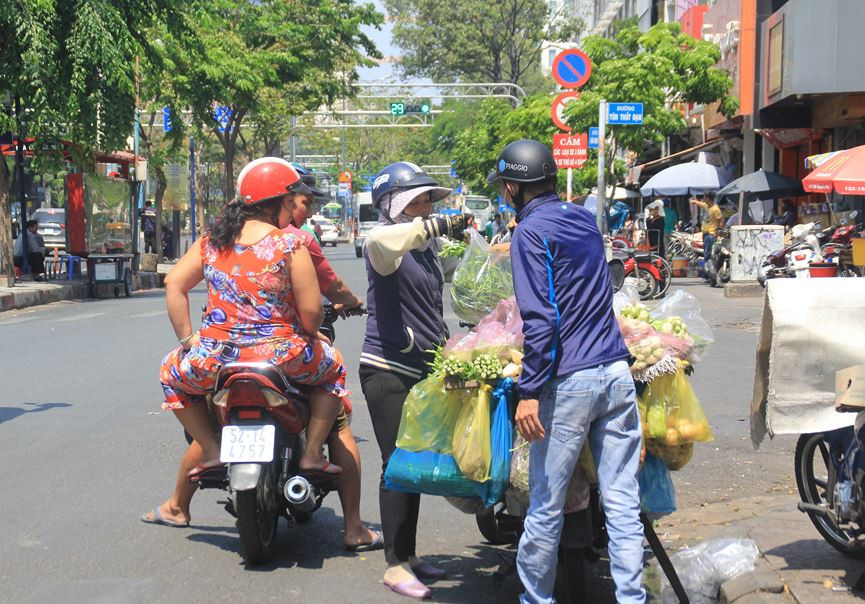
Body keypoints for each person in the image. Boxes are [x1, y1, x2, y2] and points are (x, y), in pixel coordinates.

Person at [143, 159, 370, 542]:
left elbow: (174, 284)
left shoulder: (213, 241)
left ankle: (213, 450)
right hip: (280, 357)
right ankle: (313, 452)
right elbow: (313, 313)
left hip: (216, 359)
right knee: (333, 372)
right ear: (281, 201)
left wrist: (189, 341)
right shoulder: (290, 242)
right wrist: (309, 334)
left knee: (171, 373)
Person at [488, 140, 645, 604]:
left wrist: (530, 390)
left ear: (514, 187)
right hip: (615, 372)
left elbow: (542, 320)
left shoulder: (529, 233)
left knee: (546, 505)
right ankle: (631, 599)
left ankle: (537, 598)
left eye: (504, 188)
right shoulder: (583, 219)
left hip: (569, 381)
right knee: (622, 503)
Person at [359, 161, 468, 599]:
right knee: (397, 465)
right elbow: (386, 240)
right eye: (418, 201)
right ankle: (393, 564)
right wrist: (437, 224)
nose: (426, 208)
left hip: (423, 368)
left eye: (429, 201)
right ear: (395, 205)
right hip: (387, 370)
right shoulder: (382, 242)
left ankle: (410, 555)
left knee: (416, 464)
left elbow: (464, 269)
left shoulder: (423, 249)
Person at [690, 191, 723, 280]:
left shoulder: (715, 209)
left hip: (711, 235)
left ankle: (709, 275)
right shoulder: (706, 206)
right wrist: (693, 201)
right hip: (705, 235)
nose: (704, 199)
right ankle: (708, 274)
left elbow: (720, 221)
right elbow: (700, 204)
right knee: (706, 254)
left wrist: (718, 232)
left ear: (709, 199)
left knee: (708, 255)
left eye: (705, 198)